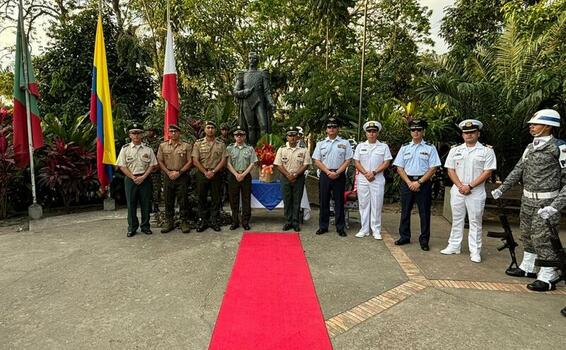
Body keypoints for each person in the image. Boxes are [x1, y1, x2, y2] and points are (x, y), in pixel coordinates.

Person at [492, 109, 566, 291]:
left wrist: (555, 206)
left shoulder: (560, 148)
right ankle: (528, 266)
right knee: (526, 234)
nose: (531, 127)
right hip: (527, 200)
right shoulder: (530, 147)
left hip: (547, 202)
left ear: (548, 126)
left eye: (535, 124)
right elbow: (518, 170)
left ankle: (549, 274)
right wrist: (502, 188)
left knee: (544, 238)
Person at [440, 120, 497, 263]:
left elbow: (487, 172)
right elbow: (450, 170)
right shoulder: (455, 150)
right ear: (462, 134)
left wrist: (469, 186)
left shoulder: (487, 151)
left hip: (475, 191)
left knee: (475, 221)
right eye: (466, 133)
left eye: (472, 132)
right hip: (458, 190)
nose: (469, 135)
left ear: (478, 133)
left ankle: (475, 251)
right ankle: (454, 245)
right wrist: (460, 186)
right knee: (457, 219)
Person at [393, 119, 441, 251]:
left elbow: (433, 168)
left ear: (423, 132)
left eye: (418, 130)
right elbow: (399, 168)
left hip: (423, 183)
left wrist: (419, 182)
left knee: (424, 213)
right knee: (405, 211)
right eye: (413, 130)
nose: (416, 132)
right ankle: (404, 237)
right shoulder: (405, 147)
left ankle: (424, 240)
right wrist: (409, 182)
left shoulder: (430, 148)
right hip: (407, 182)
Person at [312, 117, 353, 237]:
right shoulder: (320, 144)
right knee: (323, 201)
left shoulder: (345, 143)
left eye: (334, 127)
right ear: (326, 130)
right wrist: (328, 172)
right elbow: (317, 161)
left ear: (338, 129)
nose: (332, 129)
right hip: (325, 174)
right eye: (329, 127)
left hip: (339, 175)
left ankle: (340, 227)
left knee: (339, 201)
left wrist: (338, 172)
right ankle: (323, 226)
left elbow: (348, 160)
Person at [116, 123, 158, 237]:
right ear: (130, 135)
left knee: (146, 204)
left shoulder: (148, 149)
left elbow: (152, 165)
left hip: (145, 179)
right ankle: (132, 227)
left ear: (142, 134)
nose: (136, 135)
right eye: (133, 133)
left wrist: (143, 176)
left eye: (138, 133)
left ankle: (145, 226)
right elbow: (122, 166)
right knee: (131, 204)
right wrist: (132, 177)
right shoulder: (125, 149)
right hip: (130, 179)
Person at [353, 121, 392, 240]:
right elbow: (356, 162)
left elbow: (387, 162)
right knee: (363, 204)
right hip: (363, 178)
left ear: (377, 133)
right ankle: (364, 229)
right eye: (369, 131)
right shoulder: (360, 146)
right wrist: (366, 173)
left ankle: (376, 230)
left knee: (376, 204)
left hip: (377, 178)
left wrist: (374, 172)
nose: (371, 133)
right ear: (366, 133)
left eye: (374, 131)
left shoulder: (383, 146)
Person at [233, 51, 276, 147]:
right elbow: (235, 91)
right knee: (250, 127)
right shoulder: (242, 74)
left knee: (264, 126)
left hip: (259, 101)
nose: (252, 60)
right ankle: (251, 149)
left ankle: (264, 149)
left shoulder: (262, 73)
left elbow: (267, 91)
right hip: (247, 102)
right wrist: (244, 92)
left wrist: (271, 103)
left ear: (257, 61)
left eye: (254, 59)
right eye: (250, 58)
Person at [192, 121, 228, 232]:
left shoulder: (221, 144)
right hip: (202, 174)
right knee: (201, 197)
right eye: (208, 127)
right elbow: (195, 160)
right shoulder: (198, 143)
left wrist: (213, 171)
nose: (210, 129)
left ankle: (214, 220)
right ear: (205, 129)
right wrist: (205, 172)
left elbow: (223, 160)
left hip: (216, 174)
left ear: (215, 130)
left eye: (212, 127)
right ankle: (202, 220)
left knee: (216, 198)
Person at [157, 124, 193, 234]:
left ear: (179, 133)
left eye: (175, 132)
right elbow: (160, 161)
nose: (173, 133)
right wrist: (168, 172)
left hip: (182, 176)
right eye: (171, 131)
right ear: (168, 133)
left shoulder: (186, 146)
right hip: (168, 176)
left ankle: (184, 221)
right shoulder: (163, 146)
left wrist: (179, 172)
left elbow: (190, 161)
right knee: (168, 199)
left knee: (183, 200)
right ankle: (169, 222)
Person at [274, 127, 312, 232]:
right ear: (287, 137)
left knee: (296, 200)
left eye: (294, 135)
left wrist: (295, 175)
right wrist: (288, 175)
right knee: (287, 200)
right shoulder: (281, 149)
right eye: (290, 135)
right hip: (285, 178)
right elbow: (278, 164)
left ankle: (295, 222)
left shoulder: (303, 150)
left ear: (298, 137)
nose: (292, 138)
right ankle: (288, 221)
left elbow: (306, 164)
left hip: (298, 178)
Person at [226, 126, 258, 230]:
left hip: (246, 175)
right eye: (237, 135)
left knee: (246, 199)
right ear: (234, 136)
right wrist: (236, 174)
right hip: (233, 175)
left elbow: (252, 163)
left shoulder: (250, 148)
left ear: (244, 136)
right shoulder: (229, 148)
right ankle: (235, 221)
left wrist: (243, 175)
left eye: (241, 135)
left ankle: (245, 222)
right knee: (233, 199)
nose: (239, 137)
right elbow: (228, 163)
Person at [144, 124, 162, 213]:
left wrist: (157, 166)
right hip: (145, 169)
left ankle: (156, 205)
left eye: (150, 131)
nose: (149, 132)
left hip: (155, 169)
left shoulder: (158, 142)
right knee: (147, 189)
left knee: (156, 189)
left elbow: (160, 155)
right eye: (147, 131)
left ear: (154, 132)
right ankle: (148, 206)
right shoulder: (143, 142)